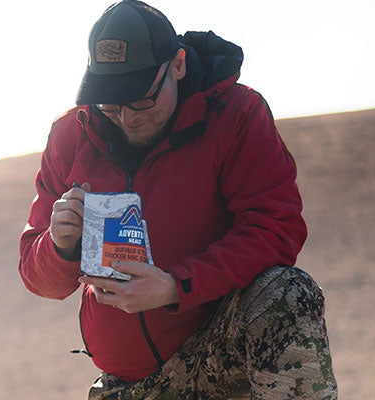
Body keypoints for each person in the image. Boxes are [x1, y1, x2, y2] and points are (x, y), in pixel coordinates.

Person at [17, 1, 337, 399]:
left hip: (219, 352)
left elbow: (276, 227)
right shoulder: (70, 133)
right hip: (127, 383)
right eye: (111, 104)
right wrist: (58, 244)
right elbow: (37, 278)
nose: (127, 118)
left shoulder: (235, 114)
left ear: (178, 65)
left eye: (142, 100)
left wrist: (175, 286)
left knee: (288, 291)